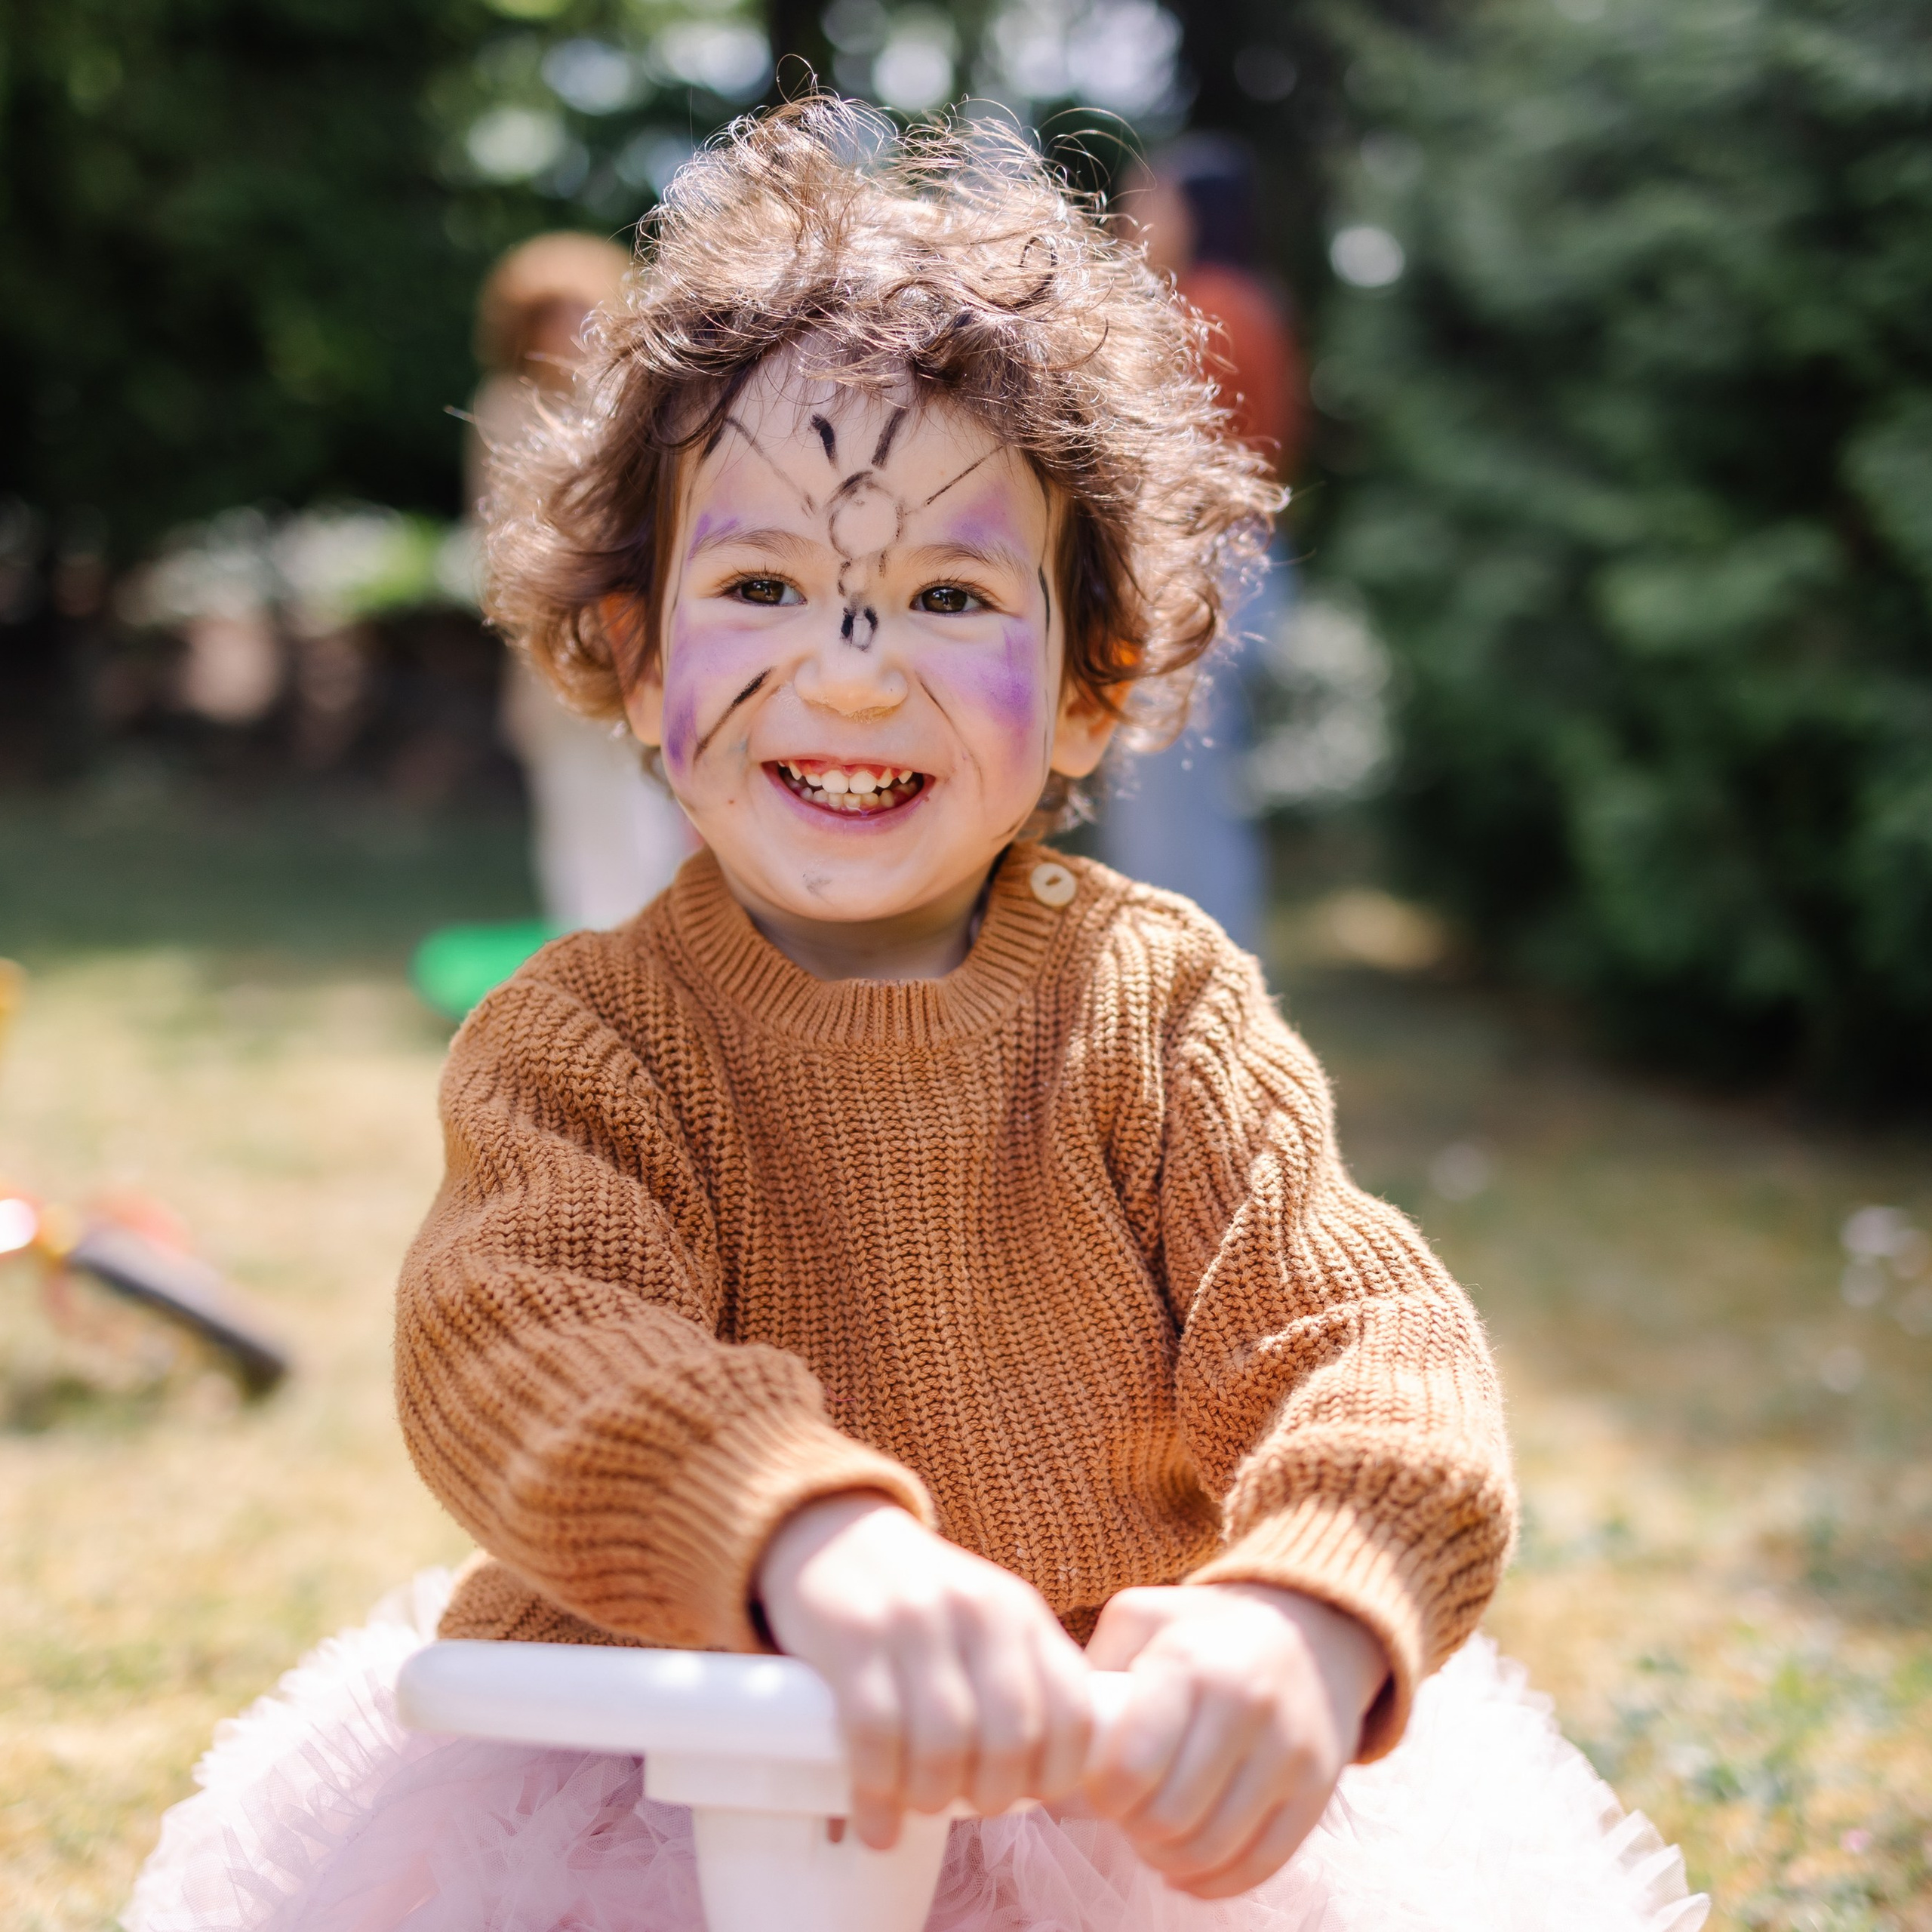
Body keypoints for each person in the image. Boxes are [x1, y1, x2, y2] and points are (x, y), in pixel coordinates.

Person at [125, 101, 1705, 1932]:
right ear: (632, 654)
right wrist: (801, 1533)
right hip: (672, 1789)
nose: (851, 673)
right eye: (761, 586)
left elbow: (1358, 1331)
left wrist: (1306, 1602)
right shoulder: (587, 1041)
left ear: (1095, 681)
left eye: (947, 593)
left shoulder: (1161, 1010)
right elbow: (521, 1334)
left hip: (1109, 1795)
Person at [1099, 137, 1306, 955]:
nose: (1130, 215)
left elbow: (1148, 461)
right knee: (1195, 792)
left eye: (1148, 197)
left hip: (1197, 570)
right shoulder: (1254, 302)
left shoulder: (1203, 313)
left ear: (1192, 211)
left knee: (1167, 794)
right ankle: (1203, 963)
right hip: (1239, 565)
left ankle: (1183, 969)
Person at [472, 232, 694, 931]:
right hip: (557, 640)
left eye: (580, 312)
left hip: (638, 632)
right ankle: (593, 949)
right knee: (577, 815)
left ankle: (655, 949)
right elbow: (504, 542)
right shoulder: (505, 408)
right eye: (551, 316)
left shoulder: (634, 401)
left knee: (651, 807)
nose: (567, 331)